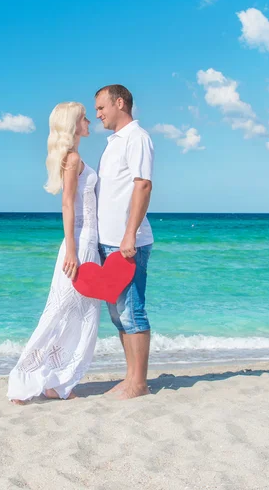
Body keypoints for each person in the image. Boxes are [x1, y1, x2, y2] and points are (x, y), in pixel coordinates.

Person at [7, 102, 101, 404]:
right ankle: (25, 380)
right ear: (74, 125)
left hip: (88, 242)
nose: (90, 121)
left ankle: (56, 384)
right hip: (79, 244)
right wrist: (72, 250)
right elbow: (68, 205)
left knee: (78, 315)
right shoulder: (72, 159)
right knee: (61, 313)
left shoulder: (76, 157)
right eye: (85, 118)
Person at [95, 84, 154, 400]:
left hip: (127, 242)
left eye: (102, 108)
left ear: (120, 103)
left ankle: (140, 383)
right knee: (118, 314)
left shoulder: (137, 138)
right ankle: (131, 376)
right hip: (108, 242)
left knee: (132, 310)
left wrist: (129, 234)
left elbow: (143, 185)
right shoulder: (113, 143)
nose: (99, 114)